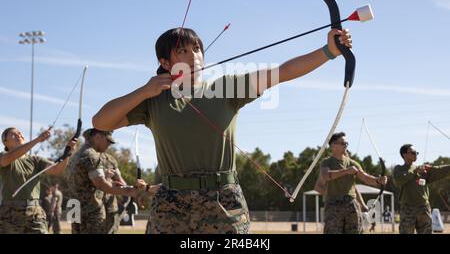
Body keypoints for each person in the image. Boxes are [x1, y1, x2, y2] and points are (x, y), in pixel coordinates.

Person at [92, 27, 353, 234]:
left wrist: (328, 51)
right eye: (182, 51)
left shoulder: (226, 88)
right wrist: (144, 91)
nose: (193, 56)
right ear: (165, 61)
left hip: (224, 202)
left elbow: (282, 72)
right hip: (170, 204)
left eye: (196, 49)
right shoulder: (153, 101)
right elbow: (101, 122)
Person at [0, 127, 76, 234]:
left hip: (35, 213)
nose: (18, 135)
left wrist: (68, 153)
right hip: (10, 214)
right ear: (5, 142)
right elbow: (6, 159)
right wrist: (37, 140)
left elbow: (57, 170)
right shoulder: (3, 156)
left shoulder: (36, 160)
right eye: (13, 134)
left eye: (20, 132)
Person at [66, 128, 141, 234]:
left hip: (74, 206)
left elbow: (83, 180)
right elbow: (102, 184)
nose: (108, 145)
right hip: (90, 209)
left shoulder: (76, 155)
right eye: (107, 141)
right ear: (97, 137)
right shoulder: (91, 155)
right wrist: (128, 190)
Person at [317, 132, 387, 234]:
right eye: (343, 143)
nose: (346, 145)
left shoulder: (352, 163)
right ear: (333, 145)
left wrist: (378, 180)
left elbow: (365, 178)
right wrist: (346, 171)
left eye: (346, 143)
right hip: (333, 205)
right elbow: (326, 176)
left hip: (351, 205)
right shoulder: (327, 162)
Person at [393, 144, 450, 234]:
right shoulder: (399, 169)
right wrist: (415, 171)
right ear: (404, 155)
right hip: (408, 209)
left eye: (416, 153)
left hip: (424, 208)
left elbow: (439, 170)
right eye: (413, 152)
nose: (416, 154)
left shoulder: (423, 169)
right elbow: (398, 181)